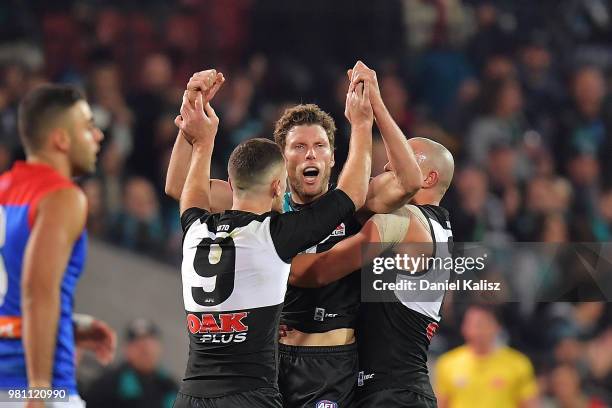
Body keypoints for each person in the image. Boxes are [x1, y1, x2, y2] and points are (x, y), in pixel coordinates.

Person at [165, 61, 422, 407]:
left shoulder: (358, 200)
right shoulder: (257, 203)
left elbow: (409, 181)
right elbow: (180, 187)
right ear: (281, 161)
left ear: (333, 158)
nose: (310, 154)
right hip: (269, 364)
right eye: (298, 147)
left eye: (319, 146)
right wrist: (188, 122)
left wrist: (376, 109)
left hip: (328, 363)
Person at [288, 136, 455, 407]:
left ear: (428, 178)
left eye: (402, 159)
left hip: (392, 393)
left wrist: (268, 257)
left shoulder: (404, 221)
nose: (388, 166)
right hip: (399, 388)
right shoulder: (437, 227)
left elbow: (321, 270)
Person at [0, 85, 115, 408]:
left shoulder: (3, 188)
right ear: (61, 139)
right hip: (36, 386)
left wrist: (69, 324)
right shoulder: (63, 197)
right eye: (89, 127)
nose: (98, 137)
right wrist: (39, 388)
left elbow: (11, 295)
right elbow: (37, 292)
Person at [435, 304, 539, 408]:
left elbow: (529, 403)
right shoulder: (448, 363)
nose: (478, 331)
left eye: (483, 325)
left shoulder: (518, 363)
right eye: (473, 325)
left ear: (497, 327)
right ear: (464, 328)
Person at [85, 319, 178, 408]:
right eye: (139, 346)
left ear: (159, 348)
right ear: (126, 349)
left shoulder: (169, 387)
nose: (145, 350)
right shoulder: (108, 386)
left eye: (149, 345)